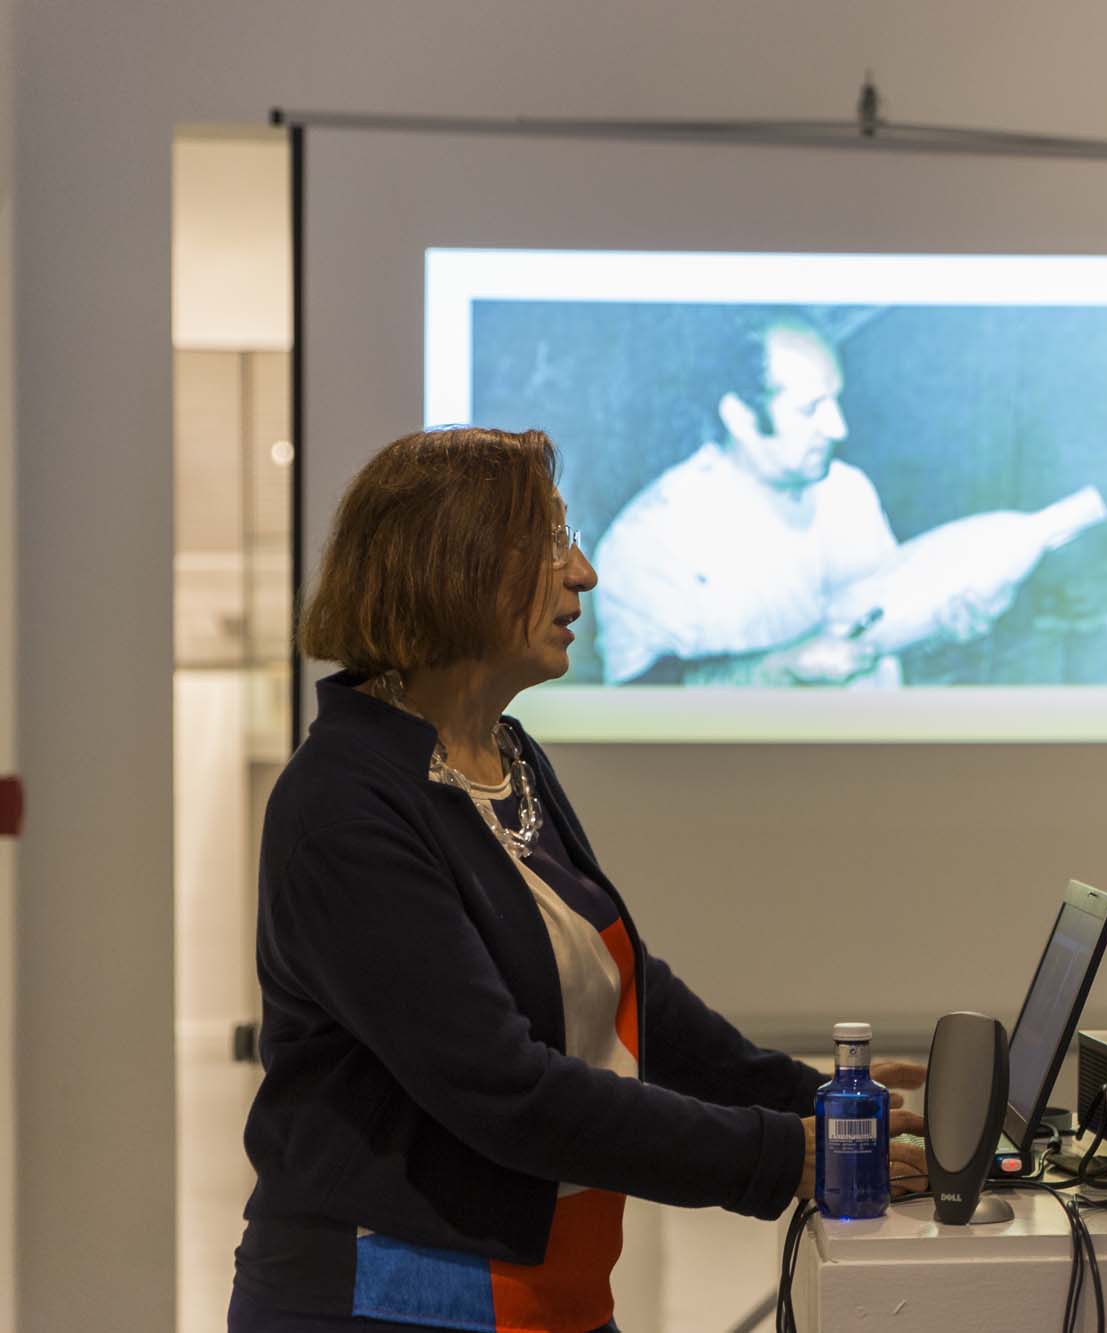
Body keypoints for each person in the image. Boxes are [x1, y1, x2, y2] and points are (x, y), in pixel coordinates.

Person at [228, 427, 927, 1333]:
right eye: (552, 541)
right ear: (456, 564)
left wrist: (813, 1101)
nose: (586, 572)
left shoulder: (502, 754)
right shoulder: (342, 806)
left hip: (544, 1294)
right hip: (391, 1305)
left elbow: (627, 987)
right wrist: (778, 1155)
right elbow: (507, 1090)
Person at [590, 314, 1006, 687]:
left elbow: (883, 644)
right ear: (741, 417)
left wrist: (942, 635)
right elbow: (636, 702)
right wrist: (782, 668)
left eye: (836, 400)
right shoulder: (650, 536)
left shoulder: (849, 492)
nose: (838, 427)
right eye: (810, 409)